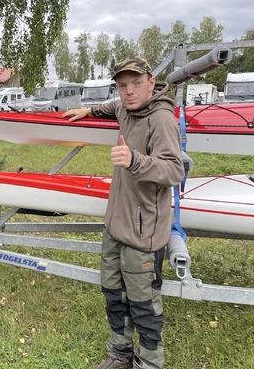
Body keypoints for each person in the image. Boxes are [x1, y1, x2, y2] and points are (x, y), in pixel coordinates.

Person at [63, 57, 184, 369]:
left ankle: (149, 362)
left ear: (149, 81)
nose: (129, 91)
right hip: (115, 226)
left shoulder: (161, 118)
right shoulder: (123, 107)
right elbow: (113, 105)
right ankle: (120, 353)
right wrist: (89, 110)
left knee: (143, 303)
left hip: (143, 235)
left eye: (136, 83)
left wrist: (134, 160)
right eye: (122, 85)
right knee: (113, 293)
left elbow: (173, 171)